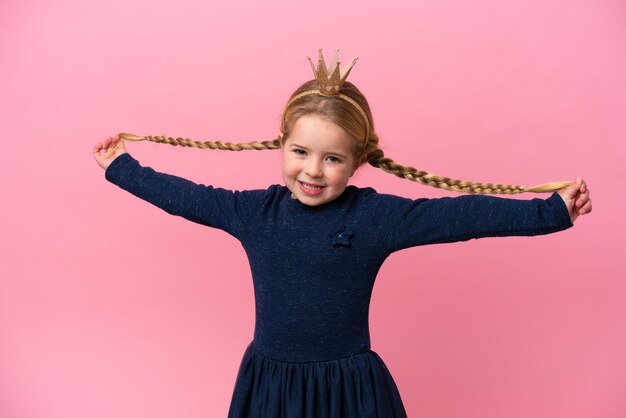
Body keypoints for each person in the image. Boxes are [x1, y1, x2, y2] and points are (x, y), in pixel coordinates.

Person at [93, 49, 592, 418]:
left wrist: (550, 212)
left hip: (349, 393)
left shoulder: (373, 217)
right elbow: (187, 196)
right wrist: (121, 167)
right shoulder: (253, 213)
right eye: (301, 152)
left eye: (332, 158)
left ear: (357, 162)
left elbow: (457, 217)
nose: (313, 170)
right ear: (281, 144)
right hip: (271, 389)